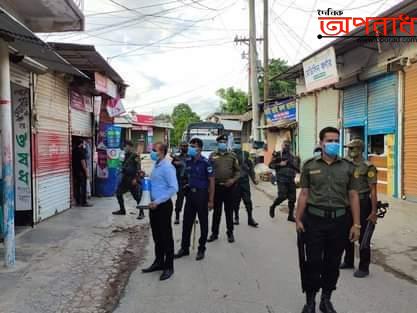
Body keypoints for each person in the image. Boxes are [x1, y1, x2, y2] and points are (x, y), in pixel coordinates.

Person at [295, 127, 361, 313]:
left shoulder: (348, 167)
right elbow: (304, 194)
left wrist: (356, 224)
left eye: (336, 140)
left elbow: (354, 195)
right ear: (321, 143)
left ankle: (326, 299)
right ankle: (310, 301)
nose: (334, 144)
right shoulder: (309, 165)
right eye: (329, 140)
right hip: (314, 220)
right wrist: (298, 218)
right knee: (313, 262)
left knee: (332, 263)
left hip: (340, 222)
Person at [340, 139, 378, 278]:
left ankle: (364, 267)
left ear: (360, 150)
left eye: (353, 148)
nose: (350, 151)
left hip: (363, 203)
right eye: (349, 148)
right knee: (346, 233)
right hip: (347, 203)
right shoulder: (345, 165)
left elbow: (373, 190)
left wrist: (373, 211)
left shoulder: (368, 167)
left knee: (363, 237)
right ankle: (348, 261)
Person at [142, 142, 178, 281]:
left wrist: (157, 201)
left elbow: (174, 188)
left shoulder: (168, 167)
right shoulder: (156, 165)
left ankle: (169, 267)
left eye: (154, 150)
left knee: (166, 237)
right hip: (153, 206)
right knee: (157, 236)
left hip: (162, 206)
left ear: (161, 151)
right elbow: (156, 184)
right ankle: (159, 262)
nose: (151, 152)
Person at [174, 138, 215, 261]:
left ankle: (201, 248)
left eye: (193, 146)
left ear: (200, 148)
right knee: (186, 222)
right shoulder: (188, 161)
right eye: (190, 145)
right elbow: (186, 175)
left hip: (202, 196)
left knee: (203, 223)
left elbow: (212, 182)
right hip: (190, 196)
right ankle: (184, 248)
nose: (190, 148)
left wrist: (211, 200)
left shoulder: (206, 163)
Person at [207, 134, 240, 243]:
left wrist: (232, 180)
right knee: (217, 212)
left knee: (229, 211)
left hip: (229, 188)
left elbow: (238, 171)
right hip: (216, 187)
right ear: (218, 143)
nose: (222, 144)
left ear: (226, 143)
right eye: (221, 142)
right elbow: (208, 170)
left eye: (224, 142)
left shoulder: (232, 156)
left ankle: (230, 233)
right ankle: (214, 233)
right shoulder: (212, 155)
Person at [269, 140, 300, 222]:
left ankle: (290, 216)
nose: (286, 147)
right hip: (281, 179)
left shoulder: (292, 156)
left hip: (291, 179)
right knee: (282, 196)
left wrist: (301, 172)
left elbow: (296, 168)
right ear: (282, 145)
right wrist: (279, 164)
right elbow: (270, 165)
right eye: (285, 145)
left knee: (292, 198)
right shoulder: (278, 154)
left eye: (288, 145)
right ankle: (273, 206)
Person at [112, 141, 142, 217]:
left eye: (127, 146)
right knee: (118, 193)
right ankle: (122, 210)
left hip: (132, 179)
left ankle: (141, 212)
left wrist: (136, 179)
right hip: (125, 179)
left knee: (137, 197)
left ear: (130, 147)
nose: (125, 148)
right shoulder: (124, 156)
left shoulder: (135, 156)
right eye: (124, 147)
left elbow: (139, 169)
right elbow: (122, 166)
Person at [233, 148, 259, 227]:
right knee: (236, 201)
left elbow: (251, 169)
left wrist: (254, 179)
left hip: (244, 182)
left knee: (247, 201)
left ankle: (250, 218)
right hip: (235, 182)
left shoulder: (246, 155)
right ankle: (236, 217)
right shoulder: (231, 156)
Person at [172, 142, 189, 224]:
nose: (184, 147)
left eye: (185, 146)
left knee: (191, 201)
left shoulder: (191, 157)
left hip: (189, 181)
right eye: (182, 146)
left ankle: (191, 217)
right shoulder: (177, 157)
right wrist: (176, 163)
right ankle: (177, 216)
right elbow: (172, 167)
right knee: (179, 200)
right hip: (180, 181)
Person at [72, 139, 92, 207]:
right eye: (83, 143)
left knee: (77, 187)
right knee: (83, 187)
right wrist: (86, 173)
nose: (84, 145)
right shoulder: (81, 151)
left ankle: (77, 201)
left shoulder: (73, 151)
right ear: (81, 144)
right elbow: (83, 163)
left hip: (75, 172)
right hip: (81, 172)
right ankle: (84, 202)